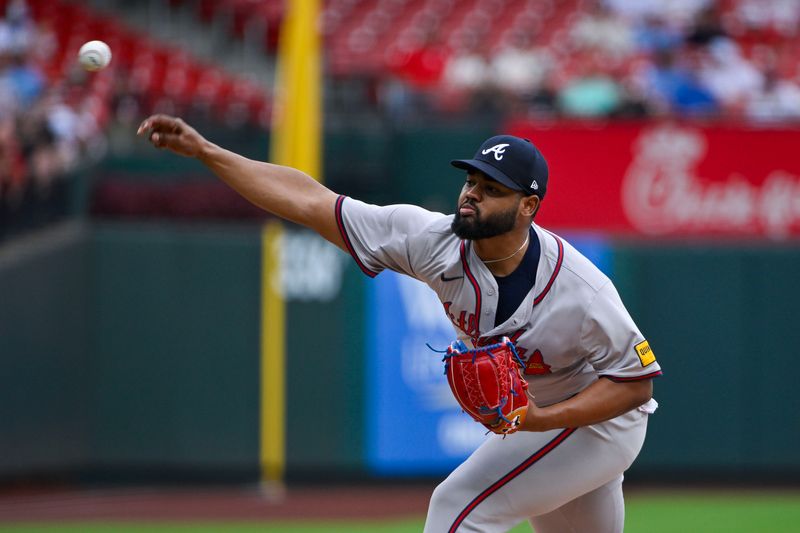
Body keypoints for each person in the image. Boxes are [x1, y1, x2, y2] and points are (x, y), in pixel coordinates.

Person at [138, 115, 662, 533]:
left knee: (458, 509)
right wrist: (207, 151)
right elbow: (310, 200)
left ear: (528, 206)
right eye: (471, 180)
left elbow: (636, 384)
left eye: (492, 188)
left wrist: (544, 420)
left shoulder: (583, 290)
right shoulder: (430, 239)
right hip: (541, 416)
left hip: (597, 423)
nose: (471, 194)